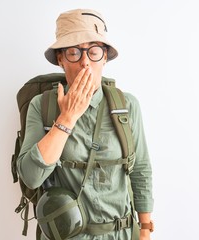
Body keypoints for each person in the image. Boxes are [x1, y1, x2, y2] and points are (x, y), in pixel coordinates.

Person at [17, 9, 154, 240]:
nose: (84, 62)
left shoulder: (127, 106)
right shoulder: (42, 106)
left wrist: (145, 229)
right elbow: (31, 177)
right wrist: (66, 118)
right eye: (73, 52)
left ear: (105, 57)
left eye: (93, 51)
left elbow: (141, 170)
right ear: (60, 59)